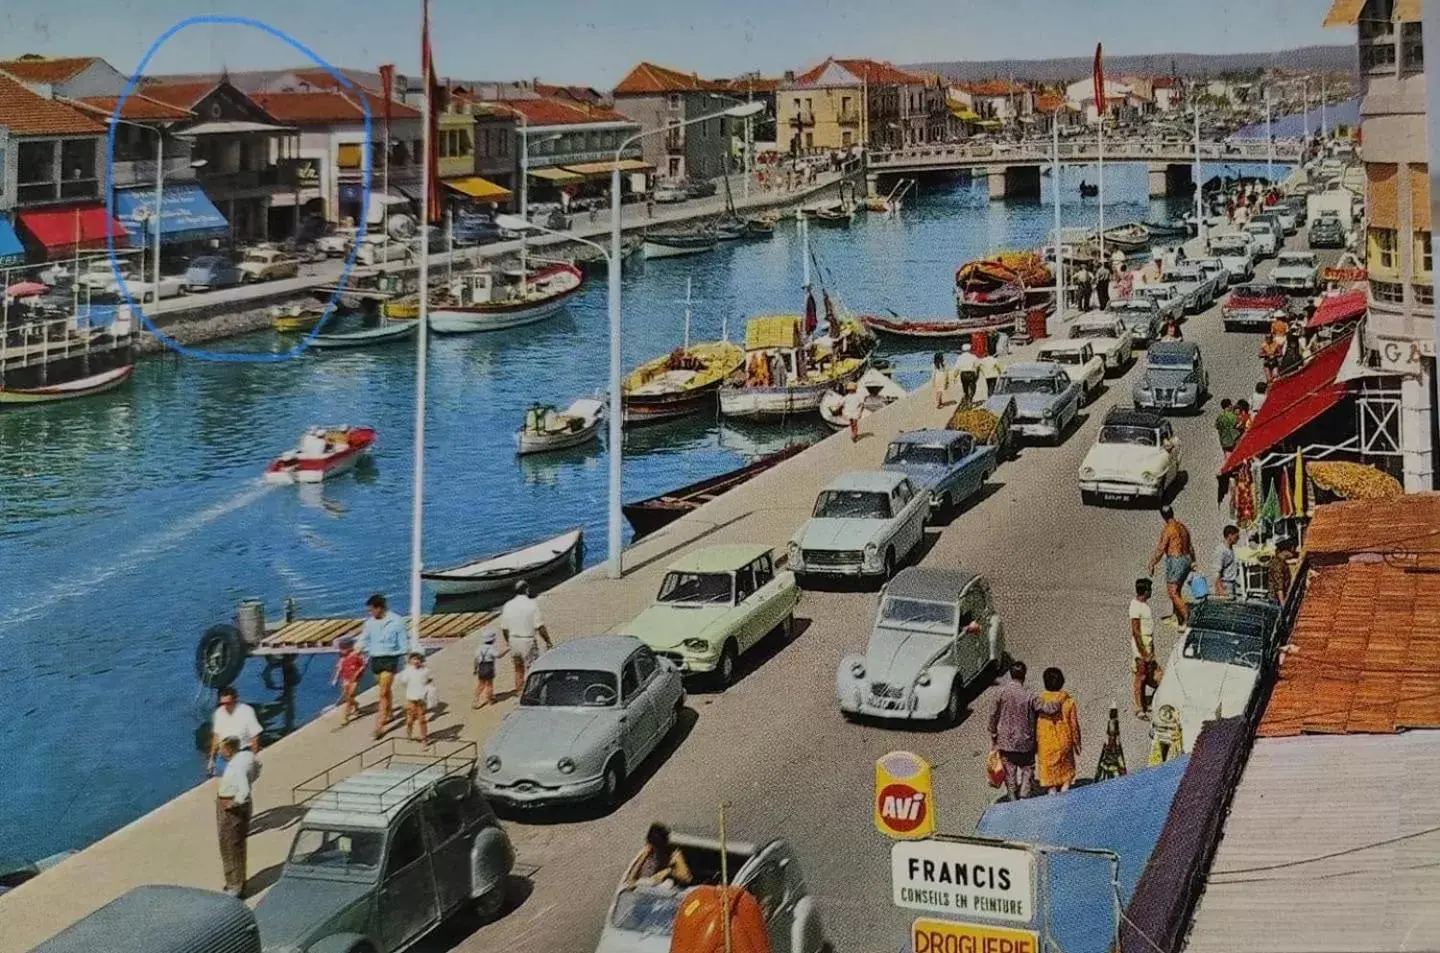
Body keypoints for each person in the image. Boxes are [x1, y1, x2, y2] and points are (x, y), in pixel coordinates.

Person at [988, 661, 1063, 802]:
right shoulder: (1030, 694)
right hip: (1026, 742)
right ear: (1024, 675)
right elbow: (1048, 709)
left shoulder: (1001, 693)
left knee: (1009, 772)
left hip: (1006, 742)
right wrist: (1060, 700)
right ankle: (1024, 797)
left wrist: (993, 734)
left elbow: (993, 715)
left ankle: (1012, 798)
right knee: (1027, 770)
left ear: (1011, 674)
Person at [357, 593, 410, 740]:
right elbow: (364, 637)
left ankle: (379, 726)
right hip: (375, 658)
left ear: (379, 608)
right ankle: (390, 711)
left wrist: (408, 660)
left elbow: (404, 642)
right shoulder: (370, 623)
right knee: (385, 690)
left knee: (382, 692)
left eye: (371, 610)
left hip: (390, 658)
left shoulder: (397, 621)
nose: (370, 613)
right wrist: (359, 648)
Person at [215, 736, 260, 896]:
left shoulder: (237, 765)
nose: (219, 752)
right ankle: (238, 882)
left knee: (229, 845)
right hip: (237, 804)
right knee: (237, 844)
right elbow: (258, 768)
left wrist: (234, 802)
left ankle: (234, 886)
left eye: (221, 749)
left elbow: (244, 790)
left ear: (228, 749)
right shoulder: (247, 757)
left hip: (230, 806)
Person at [501, 580, 553, 694]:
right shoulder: (531, 604)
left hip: (513, 640)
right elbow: (540, 626)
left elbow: (504, 629)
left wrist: (508, 642)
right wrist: (548, 641)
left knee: (518, 668)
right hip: (527, 640)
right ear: (526, 590)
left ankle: (519, 691)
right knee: (532, 668)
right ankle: (532, 693)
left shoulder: (508, 605)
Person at [1148, 506, 1196, 627]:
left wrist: (1152, 563)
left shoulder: (1168, 529)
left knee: (1172, 592)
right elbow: (1190, 546)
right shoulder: (1182, 527)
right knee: (1177, 590)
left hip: (1176, 560)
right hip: (1186, 559)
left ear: (1163, 516)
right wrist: (1193, 561)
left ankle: (1188, 619)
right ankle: (1178, 617)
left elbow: (1161, 548)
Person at [1035, 668, 1082, 794]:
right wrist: (1077, 743)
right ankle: (1065, 790)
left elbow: (1033, 723)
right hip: (1064, 742)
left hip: (1046, 744)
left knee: (1050, 778)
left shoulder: (1039, 702)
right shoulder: (1068, 702)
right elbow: (1074, 726)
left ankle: (1053, 794)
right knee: (1066, 774)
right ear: (1062, 682)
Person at [1129, 579, 1164, 719]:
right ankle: (1139, 707)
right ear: (1145, 592)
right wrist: (1143, 653)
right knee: (1141, 677)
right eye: (1150, 589)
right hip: (1141, 648)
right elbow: (1136, 632)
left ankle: (1144, 703)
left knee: (1152, 675)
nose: (1151, 591)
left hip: (1148, 646)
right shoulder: (1135, 607)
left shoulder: (1144, 606)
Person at [208, 687, 262, 777]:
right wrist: (212, 758)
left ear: (235, 700)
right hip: (224, 754)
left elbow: (255, 736)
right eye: (222, 703)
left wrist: (253, 758)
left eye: (228, 703)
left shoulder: (246, 711)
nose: (225, 706)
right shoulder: (219, 713)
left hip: (241, 752)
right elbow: (216, 736)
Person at [627, 823, 694, 889]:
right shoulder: (647, 854)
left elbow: (687, 878)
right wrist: (643, 857)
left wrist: (669, 871)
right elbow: (630, 880)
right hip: (643, 891)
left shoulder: (673, 855)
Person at [396, 652, 432, 746]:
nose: (416, 661)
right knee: (409, 720)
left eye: (418, 659)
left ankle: (424, 739)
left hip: (421, 699)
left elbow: (428, 680)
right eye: (414, 659)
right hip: (411, 699)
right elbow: (403, 681)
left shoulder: (425, 671)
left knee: (422, 720)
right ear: (411, 661)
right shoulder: (408, 671)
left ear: (421, 661)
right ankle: (409, 735)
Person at [332, 638, 366, 724]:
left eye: (342, 649)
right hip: (346, 678)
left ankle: (345, 717)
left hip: (354, 679)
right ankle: (355, 705)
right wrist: (336, 678)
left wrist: (358, 672)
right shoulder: (342, 658)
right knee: (348, 696)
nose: (341, 651)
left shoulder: (356, 656)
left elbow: (363, 665)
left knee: (349, 696)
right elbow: (339, 668)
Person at [473, 629, 509, 709]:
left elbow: (476, 660)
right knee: (489, 684)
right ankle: (490, 699)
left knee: (480, 684)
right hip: (489, 667)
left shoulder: (479, 648)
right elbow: (498, 655)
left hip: (481, 667)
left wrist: (475, 669)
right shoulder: (491, 648)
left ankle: (476, 700)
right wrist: (507, 650)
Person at [1213, 525, 1241, 598]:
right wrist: (1219, 588)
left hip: (1232, 585)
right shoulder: (1221, 550)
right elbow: (1216, 571)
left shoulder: (1230, 549)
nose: (1238, 538)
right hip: (1225, 586)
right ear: (1230, 535)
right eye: (1236, 536)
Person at [1268, 538, 1296, 604]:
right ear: (1285, 551)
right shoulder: (1278, 565)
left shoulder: (1279, 561)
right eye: (1292, 550)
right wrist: (1283, 604)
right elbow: (1279, 588)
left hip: (1278, 598)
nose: (1294, 552)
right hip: (1278, 600)